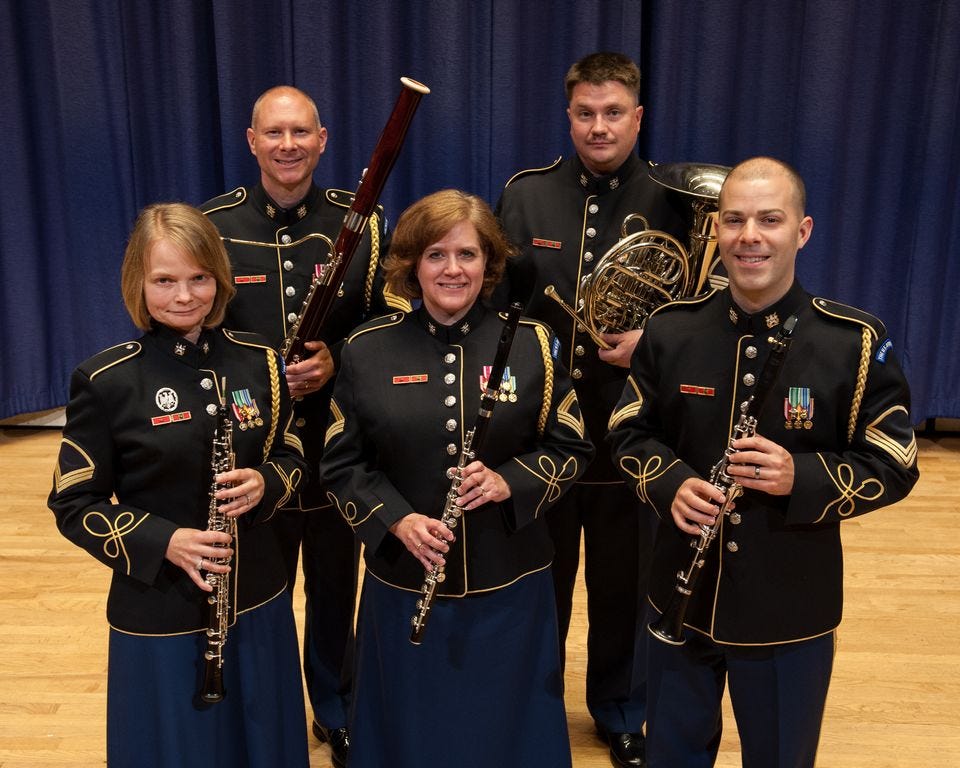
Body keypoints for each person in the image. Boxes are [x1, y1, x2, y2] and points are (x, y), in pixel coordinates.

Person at [607, 156, 920, 766]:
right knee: (669, 754)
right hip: (679, 595)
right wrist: (671, 483)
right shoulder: (670, 329)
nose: (749, 236)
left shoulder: (851, 341)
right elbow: (627, 429)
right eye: (734, 220)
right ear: (717, 230)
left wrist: (799, 476)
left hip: (790, 607)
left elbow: (895, 460)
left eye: (769, 220)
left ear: (801, 231)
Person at [318, 189, 595, 767]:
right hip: (404, 581)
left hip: (511, 583)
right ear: (411, 263)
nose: (452, 269)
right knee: (412, 732)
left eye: (467, 255)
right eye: (436, 255)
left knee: (507, 731)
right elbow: (341, 466)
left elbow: (571, 446)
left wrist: (508, 482)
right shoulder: (367, 350)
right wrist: (397, 520)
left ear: (489, 264)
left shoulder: (533, 344)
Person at [48, 203, 310, 767]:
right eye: (164, 280)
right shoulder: (106, 380)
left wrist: (266, 482)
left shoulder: (260, 360)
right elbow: (73, 503)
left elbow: (292, 455)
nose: (184, 296)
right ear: (137, 286)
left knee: (261, 741)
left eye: (199, 278)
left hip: (259, 594)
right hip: (159, 606)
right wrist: (163, 540)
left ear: (219, 277)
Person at [494, 51, 689, 767]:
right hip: (541, 425)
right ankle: (534, 702)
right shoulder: (526, 195)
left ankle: (622, 709)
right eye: (586, 113)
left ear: (637, 117)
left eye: (614, 114)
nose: (599, 127)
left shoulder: (677, 200)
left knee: (626, 576)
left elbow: (703, 311)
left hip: (632, 425)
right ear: (568, 115)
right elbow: (499, 303)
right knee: (537, 577)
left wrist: (653, 340)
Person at [200, 85, 404, 766]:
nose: (288, 146)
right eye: (274, 133)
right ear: (252, 141)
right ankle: (261, 701)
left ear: (322, 141)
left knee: (334, 581)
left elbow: (383, 327)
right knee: (256, 585)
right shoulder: (214, 225)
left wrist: (335, 360)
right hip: (252, 448)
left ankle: (334, 703)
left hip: (337, 440)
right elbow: (197, 333)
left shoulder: (363, 223)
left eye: (301, 133)